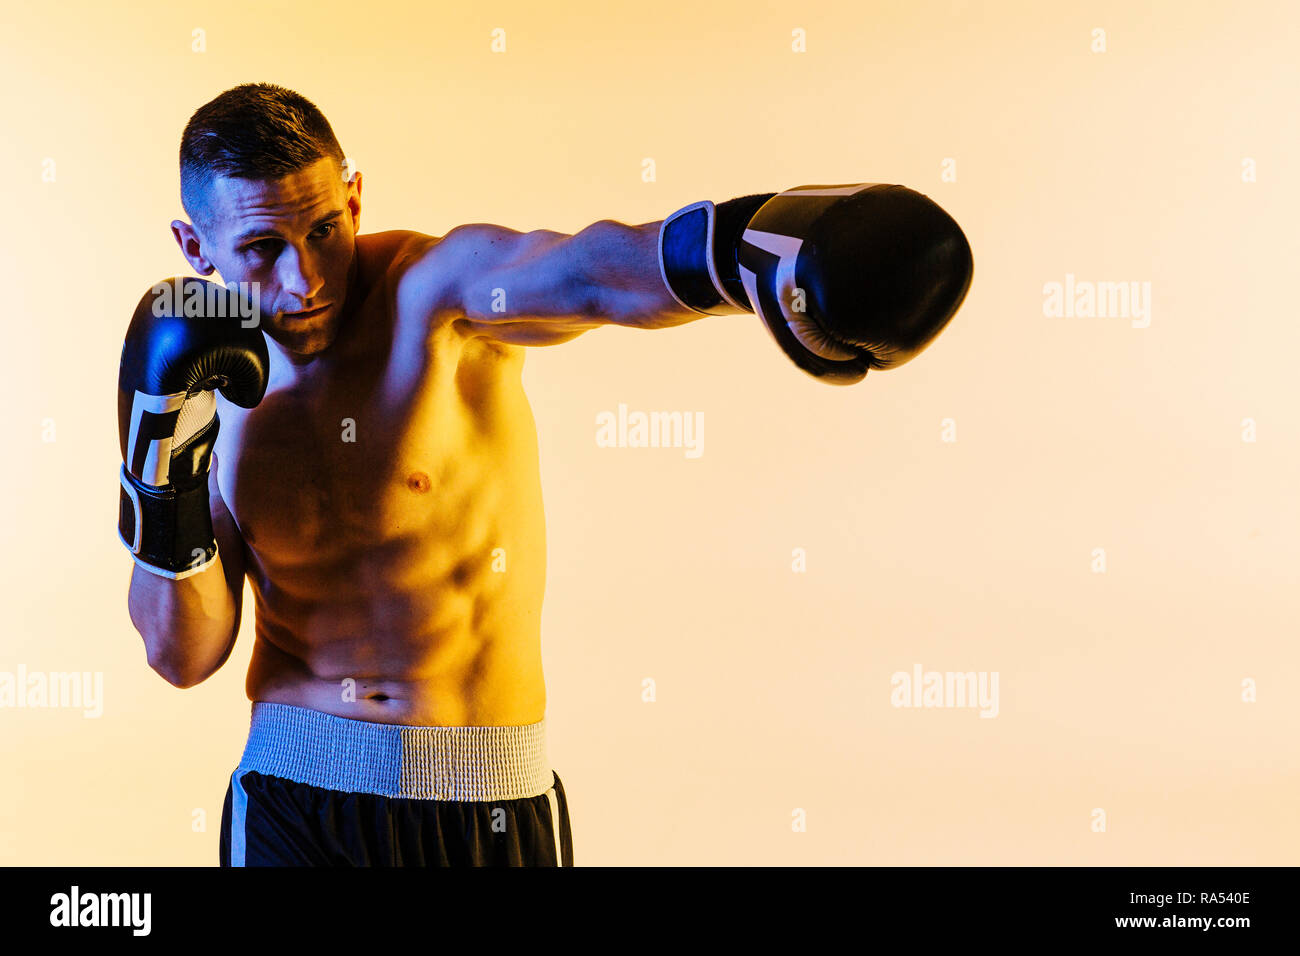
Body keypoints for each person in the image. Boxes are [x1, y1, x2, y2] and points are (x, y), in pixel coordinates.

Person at [117, 83, 973, 866]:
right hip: (293, 798)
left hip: (487, 794)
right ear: (195, 246)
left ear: (354, 198)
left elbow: (590, 273)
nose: (305, 278)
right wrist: (162, 480)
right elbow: (183, 656)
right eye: (262, 248)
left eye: (324, 232)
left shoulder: (436, 291)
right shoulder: (191, 380)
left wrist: (742, 252)